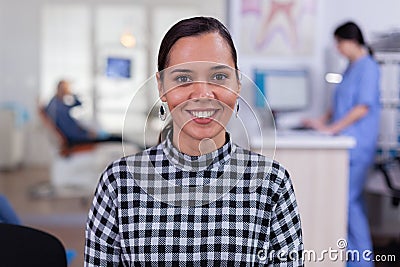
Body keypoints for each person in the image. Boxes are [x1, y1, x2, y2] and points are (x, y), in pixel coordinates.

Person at [85, 16, 303, 266]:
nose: (202, 94)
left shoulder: (272, 182)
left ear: (238, 83)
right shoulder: (118, 183)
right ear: (161, 86)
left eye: (219, 77)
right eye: (183, 78)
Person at [303, 21, 380, 266]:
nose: (337, 48)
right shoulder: (350, 68)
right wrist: (320, 122)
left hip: (358, 143)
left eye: (338, 42)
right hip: (344, 142)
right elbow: (338, 104)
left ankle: (361, 260)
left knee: (347, 201)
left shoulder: (368, 67)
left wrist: (331, 129)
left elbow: (361, 107)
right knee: (349, 201)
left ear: (350, 41)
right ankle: (355, 258)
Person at [45, 80, 123, 146]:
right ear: (62, 89)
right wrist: (88, 134)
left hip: (78, 135)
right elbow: (70, 132)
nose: (68, 90)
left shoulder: (58, 104)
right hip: (76, 139)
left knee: (112, 136)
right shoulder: (58, 109)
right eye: (67, 88)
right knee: (116, 139)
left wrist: (72, 94)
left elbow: (79, 104)